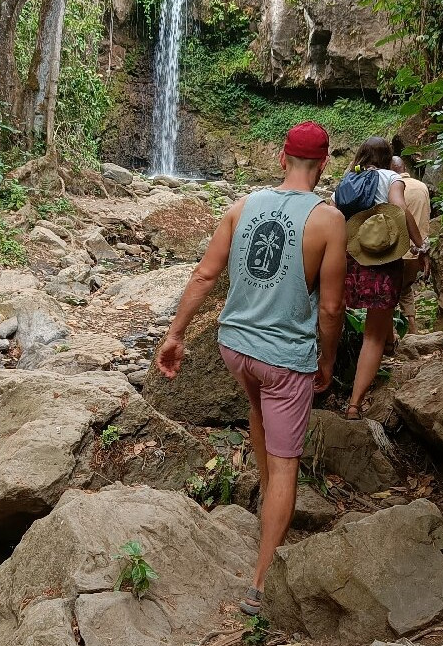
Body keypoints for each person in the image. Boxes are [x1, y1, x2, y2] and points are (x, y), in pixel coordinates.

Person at [156, 121, 347, 616]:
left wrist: (175, 335)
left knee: (260, 416)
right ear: (323, 164)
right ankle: (262, 583)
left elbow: (204, 274)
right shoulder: (329, 221)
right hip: (283, 358)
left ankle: (266, 505)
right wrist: (325, 361)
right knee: (287, 463)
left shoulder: (242, 205)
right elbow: (329, 310)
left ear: (283, 157)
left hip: (234, 347)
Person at [341, 138, 428, 420]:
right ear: (389, 159)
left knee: (332, 316)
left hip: (350, 257)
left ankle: (325, 377)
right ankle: (354, 404)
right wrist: (420, 246)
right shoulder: (391, 177)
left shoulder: (347, 180)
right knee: (374, 335)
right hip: (382, 260)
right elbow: (401, 210)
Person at [390, 156, 431, 334]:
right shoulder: (422, 187)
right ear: (404, 167)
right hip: (417, 251)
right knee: (405, 288)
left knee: (389, 291)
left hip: (396, 250)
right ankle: (412, 330)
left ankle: (389, 335)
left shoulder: (392, 189)